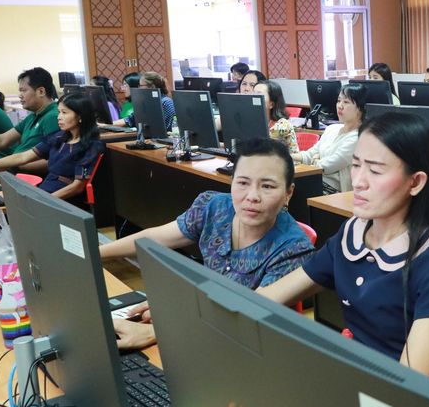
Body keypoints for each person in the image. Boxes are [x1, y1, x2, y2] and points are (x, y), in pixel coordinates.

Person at [258, 112, 429, 379]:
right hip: (350, 375)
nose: (358, 181)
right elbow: (272, 295)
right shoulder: (353, 234)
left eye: (375, 170)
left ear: (415, 182)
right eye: (356, 164)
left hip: (387, 396)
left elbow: (411, 383)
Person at [103, 137, 316, 349]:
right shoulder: (215, 207)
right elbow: (155, 238)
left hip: (250, 345)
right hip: (199, 323)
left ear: (288, 193)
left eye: (267, 186)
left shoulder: (293, 249)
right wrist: (96, 252)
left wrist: (160, 329)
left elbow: (249, 313)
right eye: (243, 183)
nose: (252, 196)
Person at [0, 91, 105, 200]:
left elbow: (77, 187)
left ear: (80, 117)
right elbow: (23, 157)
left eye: (64, 113)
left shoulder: (91, 146)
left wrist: (44, 201)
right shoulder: (59, 138)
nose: (59, 117)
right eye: (59, 112)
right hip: (46, 191)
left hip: (64, 201)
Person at [0, 67, 60, 171]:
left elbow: (55, 159)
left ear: (41, 91)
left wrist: (13, 165)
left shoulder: (53, 117)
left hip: (26, 176)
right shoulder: (34, 115)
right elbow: (2, 140)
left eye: (24, 91)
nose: (20, 95)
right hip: (15, 167)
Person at [291, 83, 366, 193]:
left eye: (346, 102)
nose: (340, 106)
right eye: (339, 101)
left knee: (290, 188)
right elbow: (309, 155)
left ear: (360, 108)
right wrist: (289, 156)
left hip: (332, 190)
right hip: (316, 180)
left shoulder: (358, 138)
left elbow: (326, 167)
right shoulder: (332, 129)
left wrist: (316, 159)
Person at [254, 80, 299, 154]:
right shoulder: (249, 122)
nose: (253, 99)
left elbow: (294, 154)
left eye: (258, 96)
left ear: (271, 104)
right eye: (252, 94)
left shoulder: (283, 125)